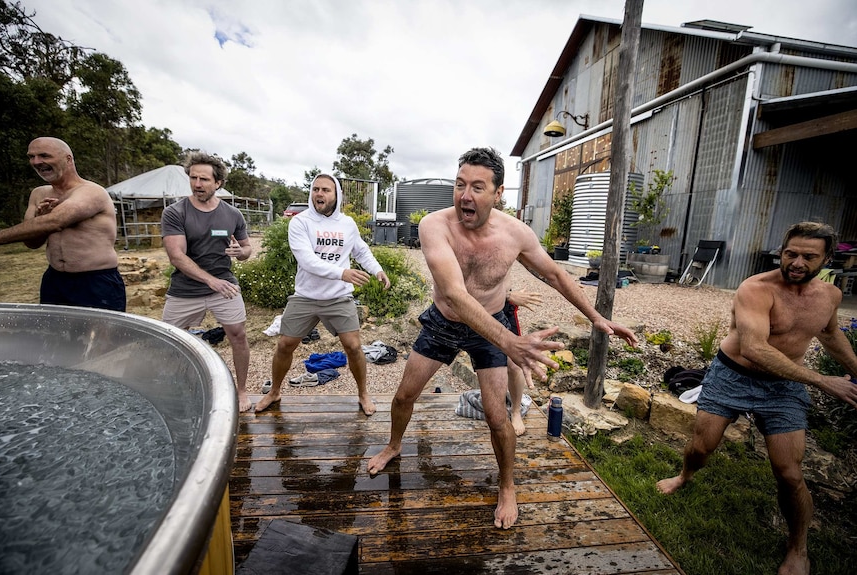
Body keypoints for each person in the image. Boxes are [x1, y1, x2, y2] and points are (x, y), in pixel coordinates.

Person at [367, 147, 638, 529]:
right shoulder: (434, 225)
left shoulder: (516, 234)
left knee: (497, 416)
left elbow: (557, 275)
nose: (465, 195)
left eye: (478, 187)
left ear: (498, 194)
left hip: (490, 328)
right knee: (403, 396)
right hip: (444, 323)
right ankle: (394, 445)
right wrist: (510, 342)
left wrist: (596, 317)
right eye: (460, 184)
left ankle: (507, 485)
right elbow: (456, 295)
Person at [656, 221, 857, 575]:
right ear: (781, 252)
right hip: (732, 376)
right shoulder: (756, 288)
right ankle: (685, 475)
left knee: (789, 473)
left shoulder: (830, 296)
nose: (797, 262)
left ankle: (798, 548)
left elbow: (829, 335)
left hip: (783, 388)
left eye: (809, 256)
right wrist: (824, 381)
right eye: (790, 253)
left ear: (826, 260)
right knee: (703, 447)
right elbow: (753, 349)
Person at [255, 174, 391, 415]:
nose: (320, 194)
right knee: (285, 344)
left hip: (338, 297)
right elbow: (307, 261)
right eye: (316, 189)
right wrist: (342, 273)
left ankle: (363, 394)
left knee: (354, 346)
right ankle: (274, 391)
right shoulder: (301, 222)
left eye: (326, 190)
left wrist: (378, 270)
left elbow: (361, 251)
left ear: (336, 195)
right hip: (306, 295)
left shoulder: (347, 223)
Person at [161, 152, 254, 413]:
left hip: (224, 286)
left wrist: (241, 253)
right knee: (169, 341)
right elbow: (176, 256)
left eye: (204, 179)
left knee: (238, 335)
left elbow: (247, 250)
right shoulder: (175, 212)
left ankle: (242, 391)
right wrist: (211, 282)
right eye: (193, 178)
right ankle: (174, 388)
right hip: (185, 290)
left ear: (218, 183)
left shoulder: (232, 214)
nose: (197, 184)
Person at [0, 137, 126, 311]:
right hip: (54, 280)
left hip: (96, 281)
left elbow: (56, 222)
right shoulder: (38, 194)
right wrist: (39, 220)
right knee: (54, 337)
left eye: (44, 155)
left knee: (100, 338)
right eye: (31, 156)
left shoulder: (92, 192)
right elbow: (32, 243)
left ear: (68, 159)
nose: (36, 162)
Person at [505, 288, 543, 436]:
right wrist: (508, 295)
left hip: (502, 307)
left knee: (513, 363)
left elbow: (543, 269)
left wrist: (568, 282)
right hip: (470, 307)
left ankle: (515, 411)